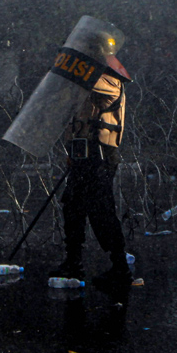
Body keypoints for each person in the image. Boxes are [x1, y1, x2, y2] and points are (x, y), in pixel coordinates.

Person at [52, 49, 133, 286]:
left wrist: (68, 65)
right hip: (82, 156)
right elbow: (76, 122)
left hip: (100, 157)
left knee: (101, 212)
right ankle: (73, 262)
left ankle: (120, 268)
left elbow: (84, 79)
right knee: (73, 208)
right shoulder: (84, 88)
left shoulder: (110, 82)